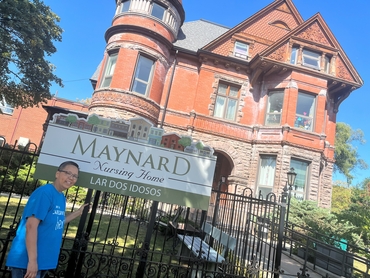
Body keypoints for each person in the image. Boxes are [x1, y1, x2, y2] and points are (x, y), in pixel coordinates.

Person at [6, 161, 89, 278]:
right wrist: (32, 261)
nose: (71, 178)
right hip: (27, 262)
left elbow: (57, 223)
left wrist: (78, 213)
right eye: (68, 173)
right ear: (57, 174)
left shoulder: (60, 197)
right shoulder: (45, 193)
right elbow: (30, 226)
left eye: (75, 176)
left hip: (43, 262)